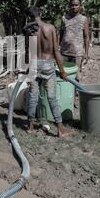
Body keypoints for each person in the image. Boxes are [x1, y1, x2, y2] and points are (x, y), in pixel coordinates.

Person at [24, 7, 70, 138]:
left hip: (34, 64)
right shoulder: (50, 28)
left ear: (29, 17)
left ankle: (30, 126)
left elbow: (29, 50)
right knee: (51, 97)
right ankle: (60, 129)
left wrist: (28, 67)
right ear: (41, 14)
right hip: (47, 64)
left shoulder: (29, 30)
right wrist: (62, 71)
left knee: (33, 96)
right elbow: (56, 51)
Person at [58, 0, 90, 82]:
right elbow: (61, 33)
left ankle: (75, 93)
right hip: (64, 52)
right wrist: (58, 47)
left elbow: (86, 37)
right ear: (69, 5)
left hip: (77, 53)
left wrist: (86, 53)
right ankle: (66, 92)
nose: (74, 7)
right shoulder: (64, 18)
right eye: (72, 5)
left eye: (76, 5)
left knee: (76, 75)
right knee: (63, 73)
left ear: (80, 6)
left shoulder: (84, 19)